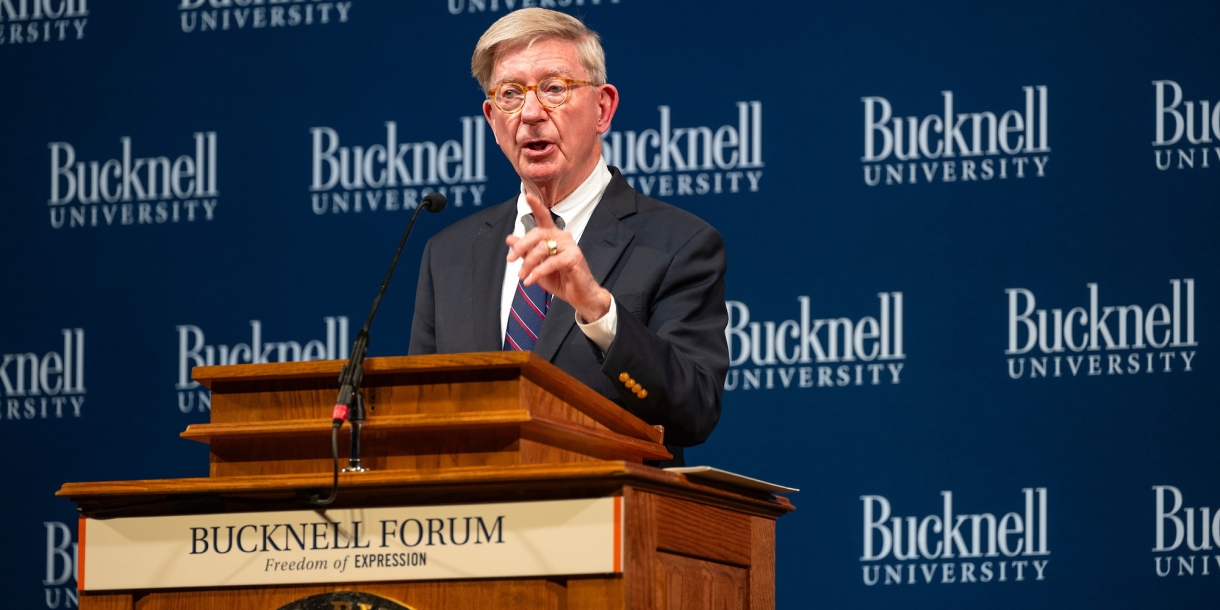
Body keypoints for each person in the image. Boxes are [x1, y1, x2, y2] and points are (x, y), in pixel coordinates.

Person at [409, 8, 727, 466]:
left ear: (603, 108)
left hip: (604, 520)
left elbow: (694, 411)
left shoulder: (679, 243)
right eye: (510, 94)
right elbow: (424, 417)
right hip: (475, 525)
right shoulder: (449, 254)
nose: (531, 113)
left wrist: (599, 310)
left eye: (554, 89)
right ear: (491, 119)